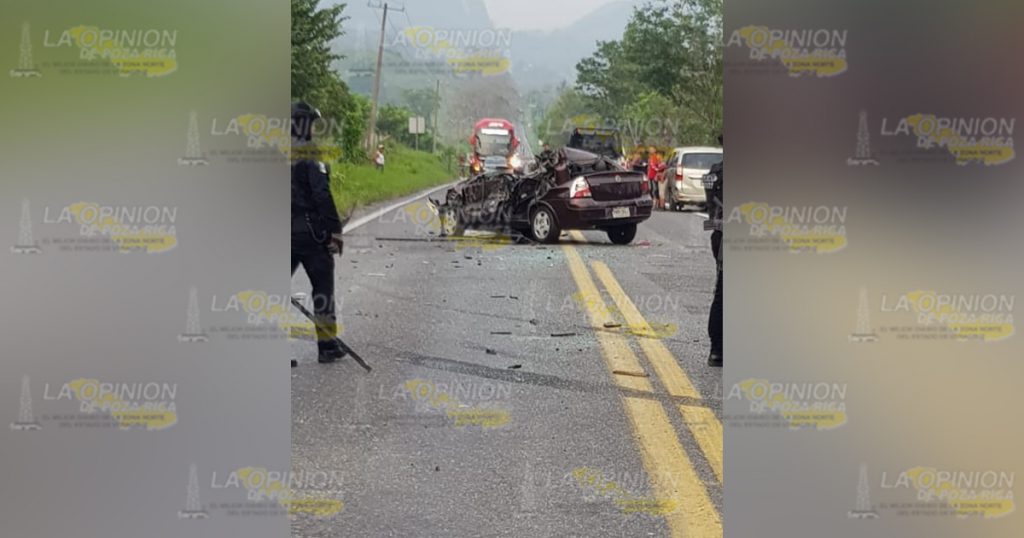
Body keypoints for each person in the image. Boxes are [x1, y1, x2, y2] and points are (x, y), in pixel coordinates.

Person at [291, 101, 346, 365]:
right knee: (323, 287)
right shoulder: (311, 154)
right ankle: (326, 346)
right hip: (310, 234)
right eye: (311, 122)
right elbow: (322, 194)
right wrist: (334, 230)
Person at [705, 134, 724, 367]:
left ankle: (717, 350)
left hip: (719, 234)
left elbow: (710, 209)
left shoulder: (714, 172)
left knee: (722, 292)